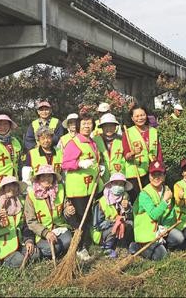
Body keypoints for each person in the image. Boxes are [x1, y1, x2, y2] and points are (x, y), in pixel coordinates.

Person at [61, 109, 103, 262]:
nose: (87, 126)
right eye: (84, 124)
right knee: (81, 218)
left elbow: (94, 160)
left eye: (89, 123)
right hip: (78, 188)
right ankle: (79, 247)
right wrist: (79, 163)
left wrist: (99, 167)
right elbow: (65, 163)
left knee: (88, 216)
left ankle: (84, 243)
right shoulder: (74, 143)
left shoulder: (92, 142)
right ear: (78, 126)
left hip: (89, 187)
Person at [132, 160, 183, 261]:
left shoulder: (167, 190)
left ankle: (160, 244)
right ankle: (136, 246)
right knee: (161, 256)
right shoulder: (144, 194)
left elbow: (170, 212)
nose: (156, 177)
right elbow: (154, 215)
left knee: (179, 238)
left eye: (159, 174)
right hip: (147, 231)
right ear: (149, 176)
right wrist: (164, 200)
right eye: (153, 174)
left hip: (160, 228)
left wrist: (165, 228)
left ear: (164, 176)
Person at [0, 175, 38, 268]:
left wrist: (29, 241)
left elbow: (26, 225)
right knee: (19, 260)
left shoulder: (22, 203)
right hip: (3, 246)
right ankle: (3, 261)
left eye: (14, 185)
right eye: (8, 185)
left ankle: (20, 255)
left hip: (20, 243)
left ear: (17, 188)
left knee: (36, 254)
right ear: (3, 189)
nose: (11, 188)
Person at [24, 165, 76, 260]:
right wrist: (46, 233)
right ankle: (45, 250)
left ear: (53, 177)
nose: (46, 179)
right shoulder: (31, 196)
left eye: (49, 176)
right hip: (41, 233)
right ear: (38, 178)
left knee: (68, 241)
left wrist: (68, 210)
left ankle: (57, 250)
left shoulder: (60, 189)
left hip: (59, 228)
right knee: (54, 248)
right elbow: (31, 221)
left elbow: (64, 207)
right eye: (43, 176)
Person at [122, 105, 163, 204]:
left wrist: (161, 169)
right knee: (137, 201)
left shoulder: (153, 131)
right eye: (137, 116)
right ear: (132, 118)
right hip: (135, 173)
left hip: (152, 171)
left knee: (152, 198)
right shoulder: (128, 133)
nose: (140, 118)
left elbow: (159, 153)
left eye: (142, 115)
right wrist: (133, 153)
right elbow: (126, 156)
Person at [92, 172, 134, 258]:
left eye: (121, 184)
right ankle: (106, 248)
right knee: (115, 226)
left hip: (120, 226)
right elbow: (97, 225)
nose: (118, 186)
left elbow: (130, 216)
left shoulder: (125, 197)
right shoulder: (102, 202)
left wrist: (127, 209)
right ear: (111, 185)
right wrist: (114, 222)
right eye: (116, 183)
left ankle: (122, 244)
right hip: (103, 231)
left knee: (130, 224)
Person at [94, 113, 125, 185]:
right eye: (106, 126)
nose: (109, 129)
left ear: (115, 127)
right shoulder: (95, 140)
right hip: (101, 177)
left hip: (118, 176)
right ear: (101, 127)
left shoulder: (122, 139)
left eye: (111, 126)